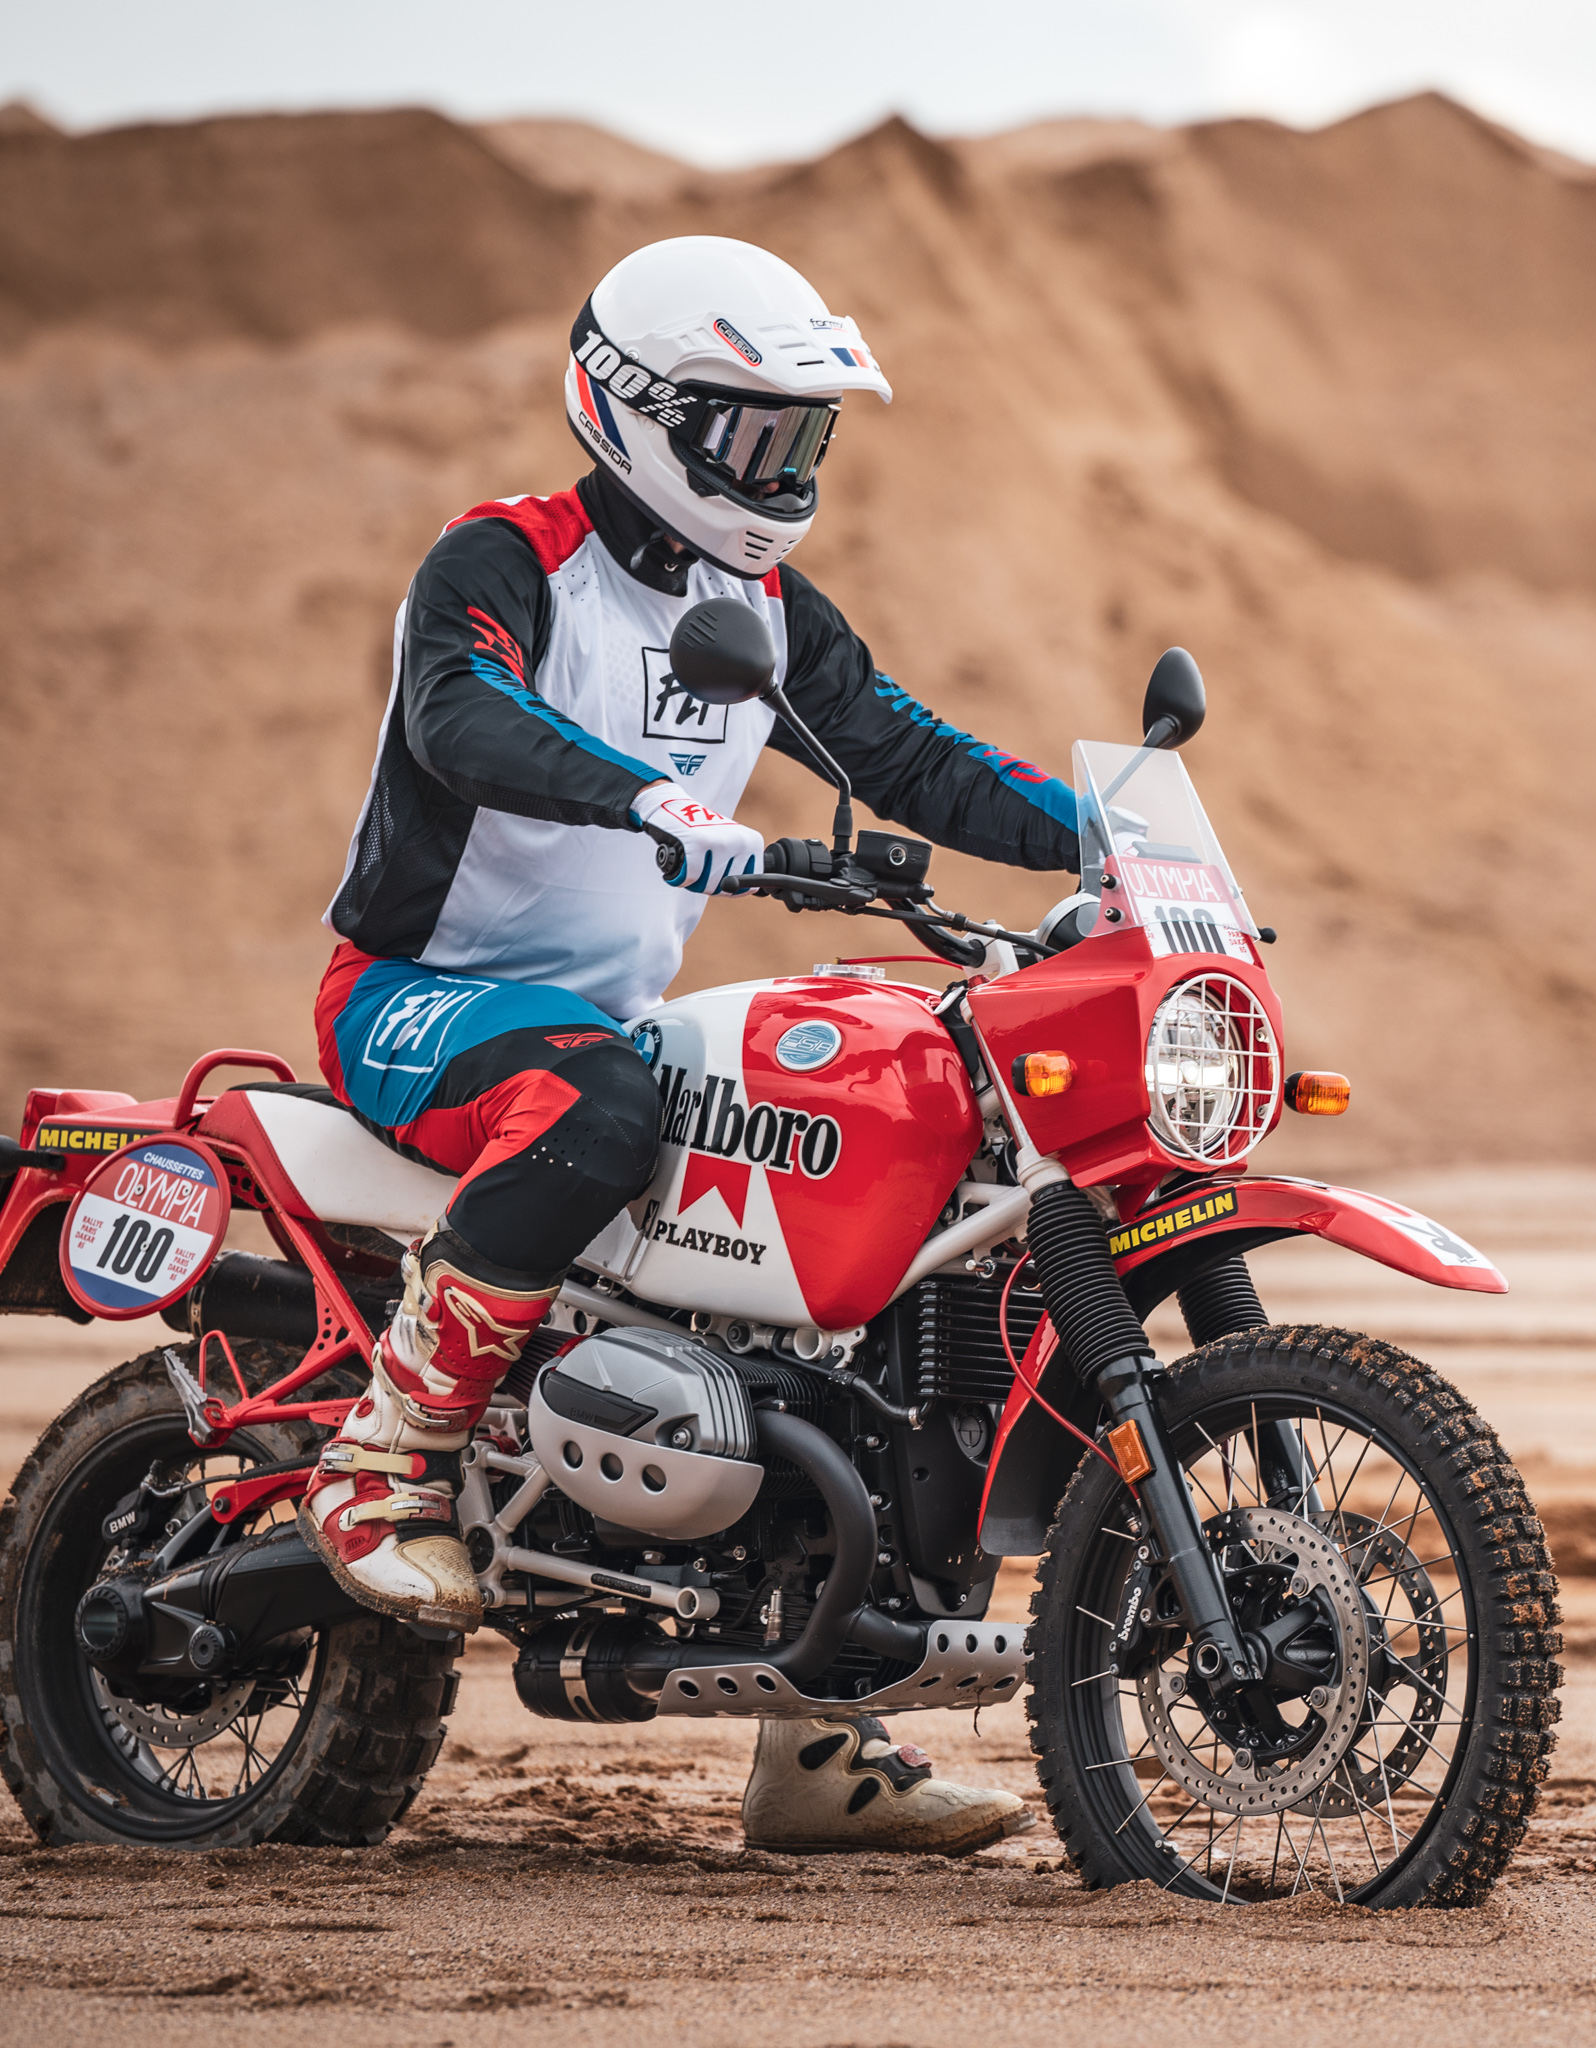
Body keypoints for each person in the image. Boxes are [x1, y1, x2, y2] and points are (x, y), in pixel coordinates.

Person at [308, 235, 1075, 1854]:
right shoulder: (506, 556)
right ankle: (385, 1457)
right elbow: (459, 715)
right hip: (415, 996)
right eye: (747, 433)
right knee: (596, 1098)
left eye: (801, 438)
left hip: (600, 1018)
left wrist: (1110, 839)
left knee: (909, 1200)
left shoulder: (763, 606)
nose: (778, 472)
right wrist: (643, 795)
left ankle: (819, 1735)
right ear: (634, 408)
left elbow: (907, 754)